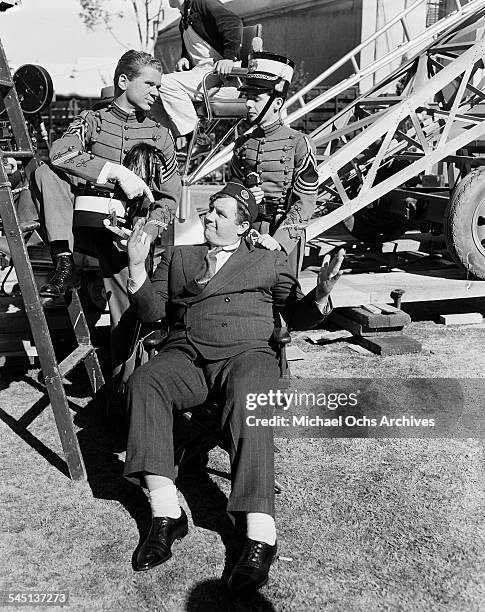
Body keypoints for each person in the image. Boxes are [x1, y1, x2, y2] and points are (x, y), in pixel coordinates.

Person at [123, 181, 344, 593]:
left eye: (221, 214)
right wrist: (137, 267)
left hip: (247, 353)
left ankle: (260, 534)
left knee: (250, 396)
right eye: (210, 210)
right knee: (146, 381)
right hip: (188, 353)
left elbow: (295, 312)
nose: (209, 217)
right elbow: (153, 314)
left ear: (243, 226)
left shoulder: (267, 261)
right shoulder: (179, 258)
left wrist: (322, 293)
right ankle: (166, 514)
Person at [31, 50, 181, 392]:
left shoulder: (161, 135)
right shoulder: (92, 121)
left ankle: (124, 393)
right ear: (124, 82)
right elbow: (61, 152)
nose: (156, 92)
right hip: (84, 225)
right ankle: (63, 261)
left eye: (158, 86)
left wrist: (145, 232)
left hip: (129, 234)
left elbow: (169, 199)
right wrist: (111, 172)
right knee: (45, 171)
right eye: (150, 84)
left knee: (128, 313)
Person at [230, 52, 319, 274]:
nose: (248, 103)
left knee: (282, 297)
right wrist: (245, 195)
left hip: (283, 235)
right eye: (247, 96)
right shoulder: (243, 143)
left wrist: (279, 241)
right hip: (247, 232)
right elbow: (231, 189)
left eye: (256, 98)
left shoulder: (300, 143)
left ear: (277, 103)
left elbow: (305, 203)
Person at [157, 0, 243, 147]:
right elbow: (199, 49)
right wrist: (185, 57)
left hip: (222, 78)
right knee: (152, 92)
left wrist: (229, 58)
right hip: (201, 74)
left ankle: (197, 140)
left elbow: (233, 22)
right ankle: (171, 143)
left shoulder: (204, 3)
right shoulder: (184, 18)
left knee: (162, 83)